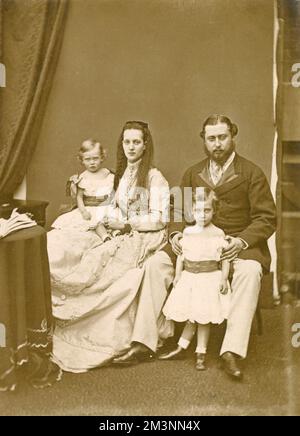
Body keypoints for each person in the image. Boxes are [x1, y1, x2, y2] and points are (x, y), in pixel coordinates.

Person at [50, 121, 174, 372]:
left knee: (112, 272)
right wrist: (109, 220)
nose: (131, 147)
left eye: (136, 142)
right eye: (126, 142)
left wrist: (126, 224)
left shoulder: (154, 177)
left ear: (145, 144)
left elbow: (160, 218)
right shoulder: (124, 173)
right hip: (125, 231)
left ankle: (116, 338)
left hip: (147, 235)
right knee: (81, 252)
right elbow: (118, 204)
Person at [161, 114, 276, 380]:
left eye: (222, 137)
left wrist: (241, 241)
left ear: (232, 136)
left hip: (235, 245)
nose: (217, 144)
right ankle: (148, 340)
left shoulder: (251, 172)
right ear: (204, 140)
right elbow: (177, 210)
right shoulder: (192, 173)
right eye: (211, 138)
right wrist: (177, 235)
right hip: (197, 241)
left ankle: (231, 350)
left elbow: (266, 218)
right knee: (158, 263)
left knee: (249, 271)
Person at [159, 188, 230, 371]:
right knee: (193, 314)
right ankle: (181, 347)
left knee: (203, 318)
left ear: (214, 211)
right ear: (192, 211)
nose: (202, 215)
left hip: (210, 279)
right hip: (190, 278)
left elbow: (225, 259)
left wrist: (223, 278)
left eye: (207, 210)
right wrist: (177, 275)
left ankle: (201, 353)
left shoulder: (218, 233)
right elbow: (182, 256)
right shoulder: (188, 232)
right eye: (198, 211)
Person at [51, 139, 114, 242]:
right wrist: (84, 211)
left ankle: (114, 232)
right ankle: (105, 237)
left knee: (112, 220)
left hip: (106, 206)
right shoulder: (83, 178)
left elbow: (113, 191)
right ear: (82, 160)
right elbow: (79, 197)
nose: (92, 162)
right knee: (95, 220)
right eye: (88, 159)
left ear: (102, 158)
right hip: (90, 208)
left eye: (95, 158)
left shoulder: (107, 173)